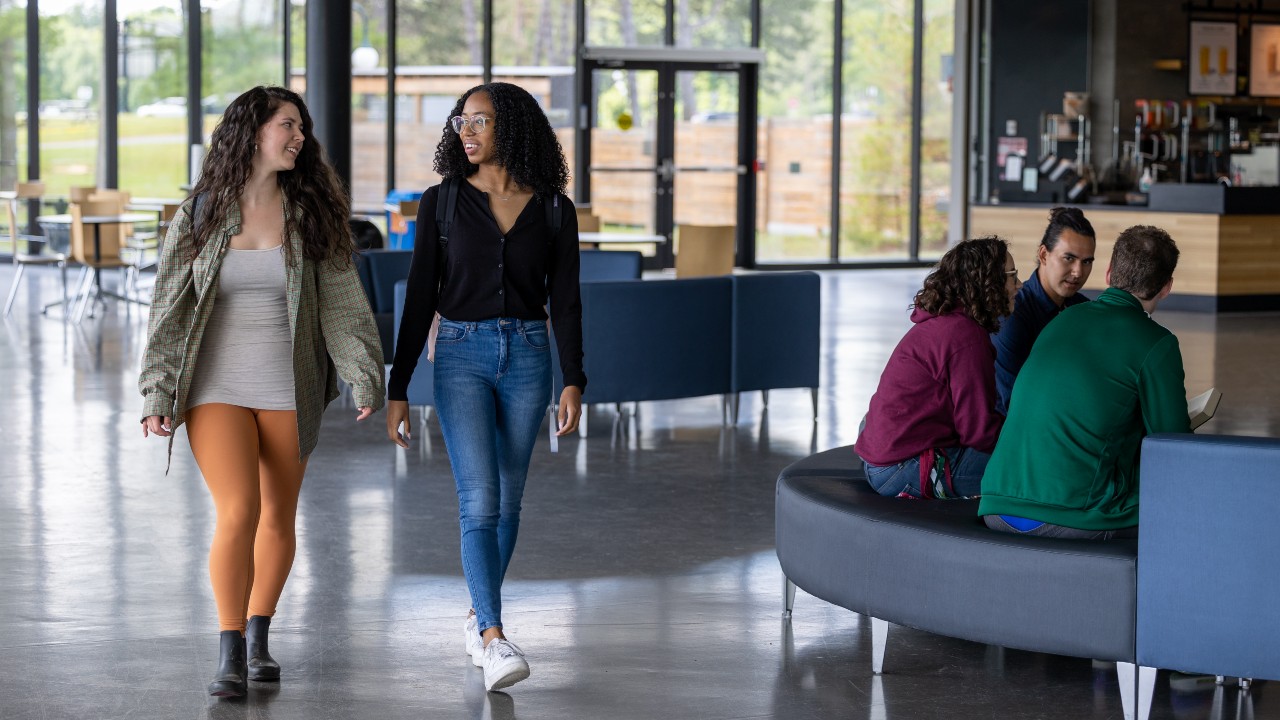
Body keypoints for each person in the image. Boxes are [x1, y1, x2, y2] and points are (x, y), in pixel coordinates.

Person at [139, 86, 385, 698]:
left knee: (278, 514)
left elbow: (344, 303)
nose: (299, 138)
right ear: (252, 133)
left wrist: (362, 371)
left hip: (287, 382)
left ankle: (259, 636)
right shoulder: (197, 216)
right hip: (214, 386)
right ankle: (228, 651)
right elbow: (167, 309)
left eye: (301, 127)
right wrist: (157, 393)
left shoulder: (311, 217)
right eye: (287, 126)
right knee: (239, 510)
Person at [385, 82, 585, 693]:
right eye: (461, 120)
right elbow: (420, 297)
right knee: (480, 497)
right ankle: (495, 638)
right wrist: (400, 386)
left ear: (514, 128)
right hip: (461, 357)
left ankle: (476, 616)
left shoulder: (553, 208)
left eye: (480, 120)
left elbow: (568, 300)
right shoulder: (441, 203)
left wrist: (574, 378)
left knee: (510, 497)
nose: (465, 131)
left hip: (528, 357)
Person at [980, 225, 1190, 539]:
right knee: (1177, 498)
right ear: (1166, 287)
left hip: (996, 503)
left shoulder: (1062, 319)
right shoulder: (1157, 343)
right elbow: (1174, 444)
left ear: (1108, 273)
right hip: (1066, 514)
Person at [853, 236, 1021, 499]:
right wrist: (1025, 437)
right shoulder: (966, 338)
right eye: (1012, 275)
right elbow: (978, 433)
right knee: (1027, 468)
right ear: (989, 283)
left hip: (880, 457)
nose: (1019, 285)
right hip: (899, 470)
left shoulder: (946, 321)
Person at [991, 206, 1096, 414]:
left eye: (1086, 262)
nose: (1078, 272)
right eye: (1069, 258)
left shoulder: (1083, 310)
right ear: (1044, 255)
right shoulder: (1012, 316)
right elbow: (1011, 405)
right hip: (1010, 433)